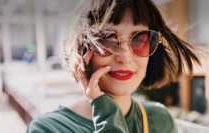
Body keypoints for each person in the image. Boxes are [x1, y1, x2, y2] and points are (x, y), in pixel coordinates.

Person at [26, 0, 200, 132]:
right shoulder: (49, 128)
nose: (124, 57)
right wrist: (105, 110)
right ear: (81, 50)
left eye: (140, 40)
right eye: (107, 40)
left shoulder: (159, 119)